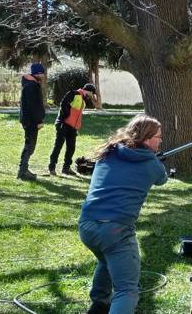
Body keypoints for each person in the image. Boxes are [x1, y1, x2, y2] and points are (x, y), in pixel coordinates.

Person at [78, 115, 167, 314]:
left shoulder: (108, 152)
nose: (161, 140)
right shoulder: (152, 165)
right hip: (115, 230)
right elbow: (162, 179)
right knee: (127, 291)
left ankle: (100, 304)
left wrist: (153, 158)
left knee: (105, 259)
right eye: (158, 137)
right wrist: (157, 160)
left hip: (86, 226)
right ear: (146, 139)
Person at [49, 83, 97, 176]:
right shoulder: (74, 94)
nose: (91, 96)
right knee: (58, 146)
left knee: (71, 148)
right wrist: (65, 118)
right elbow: (63, 104)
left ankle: (66, 168)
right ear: (89, 91)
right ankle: (52, 167)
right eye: (92, 93)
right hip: (63, 124)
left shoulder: (83, 100)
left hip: (72, 127)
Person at [18, 63, 46, 181]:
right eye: (42, 73)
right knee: (30, 146)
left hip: (30, 121)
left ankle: (23, 170)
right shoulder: (31, 86)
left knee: (30, 146)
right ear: (37, 73)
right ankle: (22, 171)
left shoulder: (33, 84)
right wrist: (38, 121)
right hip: (30, 121)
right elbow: (32, 106)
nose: (44, 75)